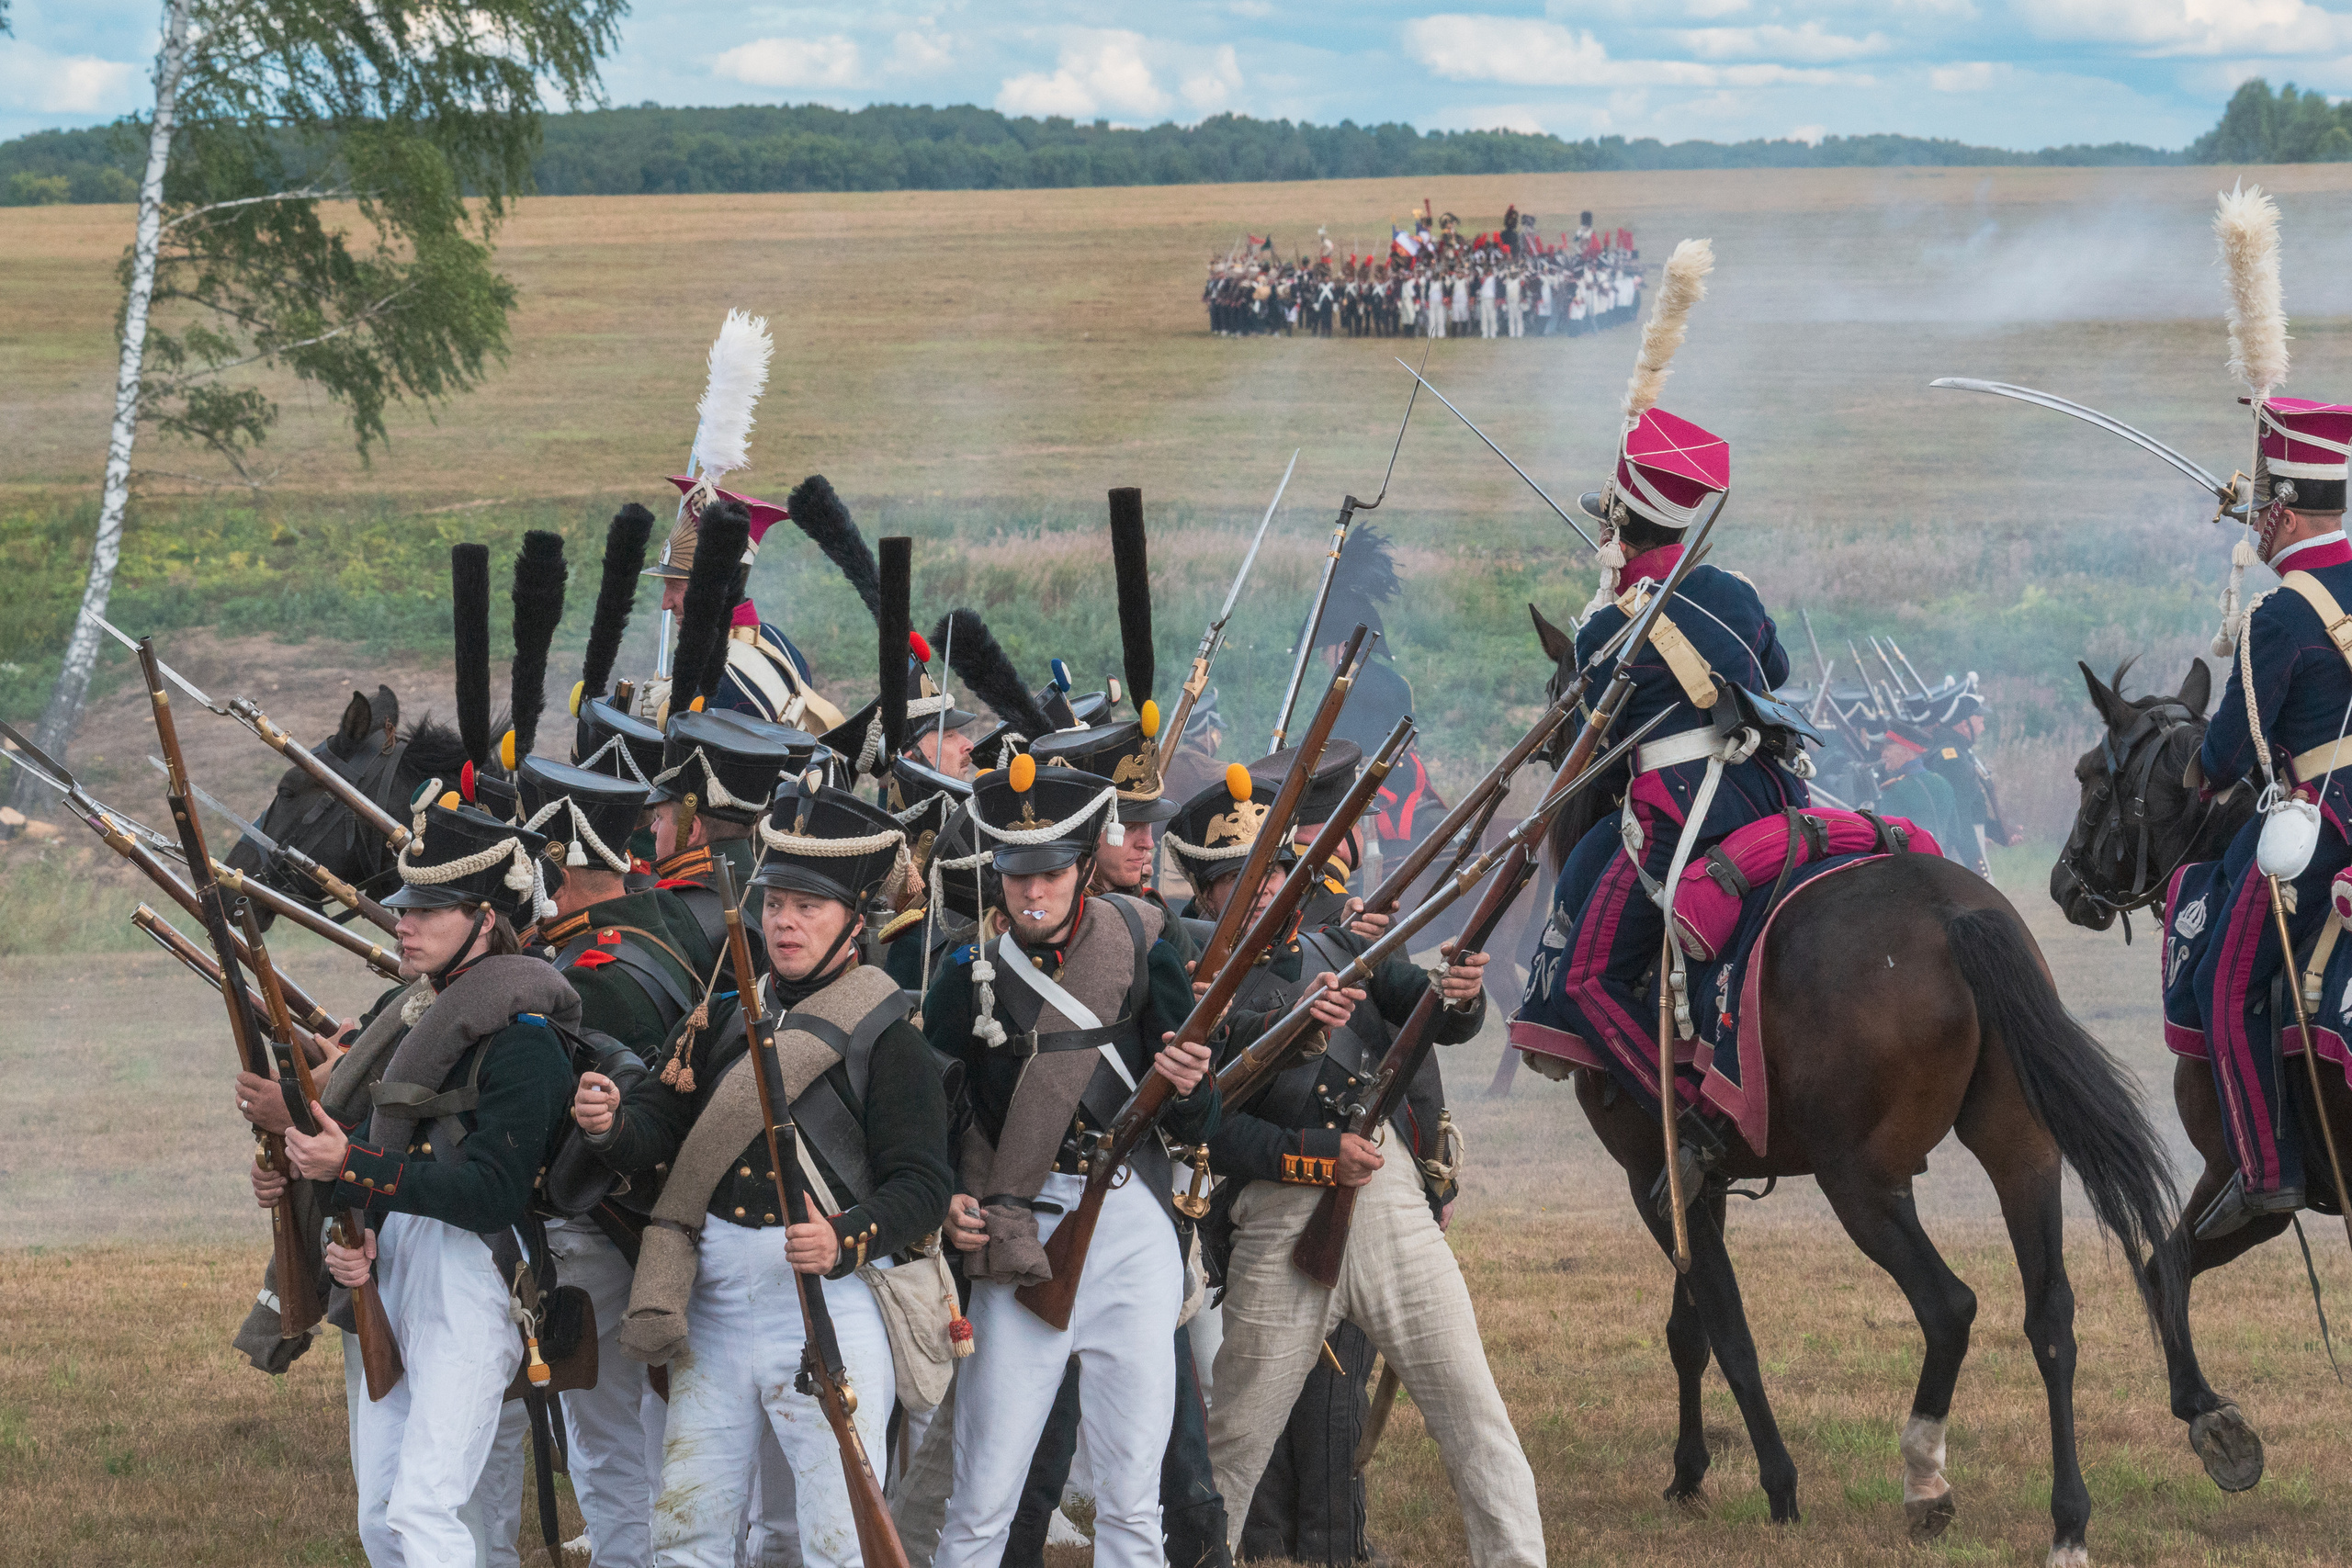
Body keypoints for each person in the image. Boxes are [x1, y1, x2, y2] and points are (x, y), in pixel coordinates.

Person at [1160, 774, 1540, 1568]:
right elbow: (1209, 1131)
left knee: (1477, 1419)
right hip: (1281, 1218)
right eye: (1240, 876)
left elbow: (1432, 1009)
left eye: (1273, 870)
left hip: (1390, 1198)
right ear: (1208, 889)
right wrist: (1313, 1153)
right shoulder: (1193, 982)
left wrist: (1461, 992)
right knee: (1233, 1444)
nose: (1262, 887)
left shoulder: (1345, 947)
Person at [573, 780, 955, 1568]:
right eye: (776, 901)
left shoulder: (890, 1039)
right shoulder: (719, 1018)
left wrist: (846, 1236)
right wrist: (613, 1123)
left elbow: (922, 1187)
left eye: (807, 907)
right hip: (712, 1295)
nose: (784, 921)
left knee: (834, 1537)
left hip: (828, 1295)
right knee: (687, 1530)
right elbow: (664, 1134)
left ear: (855, 918)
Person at [255, 796, 580, 1567]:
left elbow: (492, 1192)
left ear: (483, 917)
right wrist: (341, 1212)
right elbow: (362, 1148)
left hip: (477, 1275)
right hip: (397, 1262)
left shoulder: (526, 1039)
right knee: (382, 1520)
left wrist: (356, 1170)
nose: (403, 922)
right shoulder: (416, 1023)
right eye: (405, 905)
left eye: (428, 908)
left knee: (427, 1509)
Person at [924, 762, 1220, 1568]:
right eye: (1017, 874)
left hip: (1128, 1226)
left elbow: (1199, 1116)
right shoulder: (962, 981)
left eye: (1050, 871)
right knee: (982, 1498)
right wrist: (952, 1192)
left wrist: (1194, 1088)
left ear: (1084, 863)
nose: (1032, 892)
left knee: (1132, 1499)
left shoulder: (1143, 946)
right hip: (1022, 1225)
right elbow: (934, 1110)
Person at [1511, 399, 1805, 1196]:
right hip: (1766, 790)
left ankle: (1689, 1117)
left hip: (1680, 809)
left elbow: (1602, 755)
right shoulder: (1733, 591)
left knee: (1585, 978)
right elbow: (1769, 673)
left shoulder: (1603, 626)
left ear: (1617, 530)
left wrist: (1607, 610)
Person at [513, 756, 715, 1568]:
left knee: (605, 1440)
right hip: (669, 1225)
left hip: (605, 1228)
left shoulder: (585, 977)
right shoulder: (662, 925)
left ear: (559, 865)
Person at [2187, 398, 2352, 1237]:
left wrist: (2200, 772)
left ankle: (2265, 1169)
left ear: (2282, 511)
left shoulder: (2281, 613)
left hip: (2326, 822)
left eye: (2261, 509)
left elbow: (2228, 756)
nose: (2254, 523)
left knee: (2226, 986)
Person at [642, 486, 845, 733]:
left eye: (676, 586)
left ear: (714, 588)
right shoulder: (778, 642)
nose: (666, 603)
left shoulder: (720, 681)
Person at [1870, 723, 1962, 854]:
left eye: (1887, 749)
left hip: (1910, 867)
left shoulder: (1893, 790)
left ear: (1906, 752)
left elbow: (1886, 842)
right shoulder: (1943, 782)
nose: (1883, 754)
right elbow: (1955, 834)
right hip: (1942, 862)